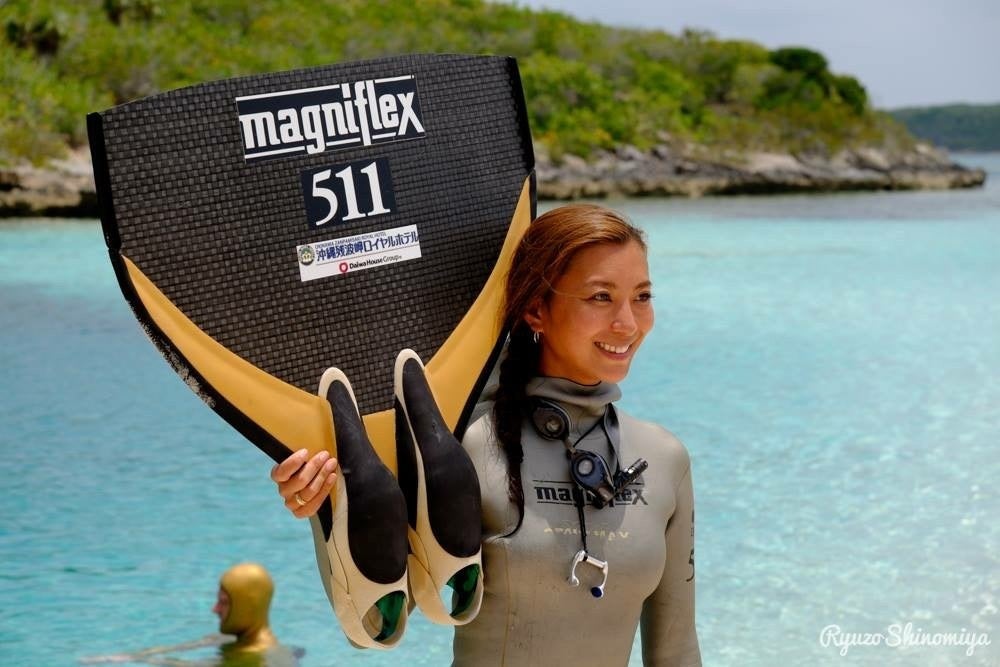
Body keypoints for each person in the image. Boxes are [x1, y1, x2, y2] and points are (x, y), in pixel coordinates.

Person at [271, 204, 701, 666]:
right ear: (536, 309)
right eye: (600, 297)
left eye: (642, 296)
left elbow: (676, 653)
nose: (628, 323)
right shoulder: (462, 446)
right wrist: (328, 502)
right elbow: (373, 626)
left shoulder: (663, 459)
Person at [81, 563, 300, 667]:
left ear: (246, 607)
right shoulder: (229, 638)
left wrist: (153, 661)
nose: (215, 609)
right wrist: (128, 657)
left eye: (224, 603)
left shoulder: (270, 659)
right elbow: (179, 649)